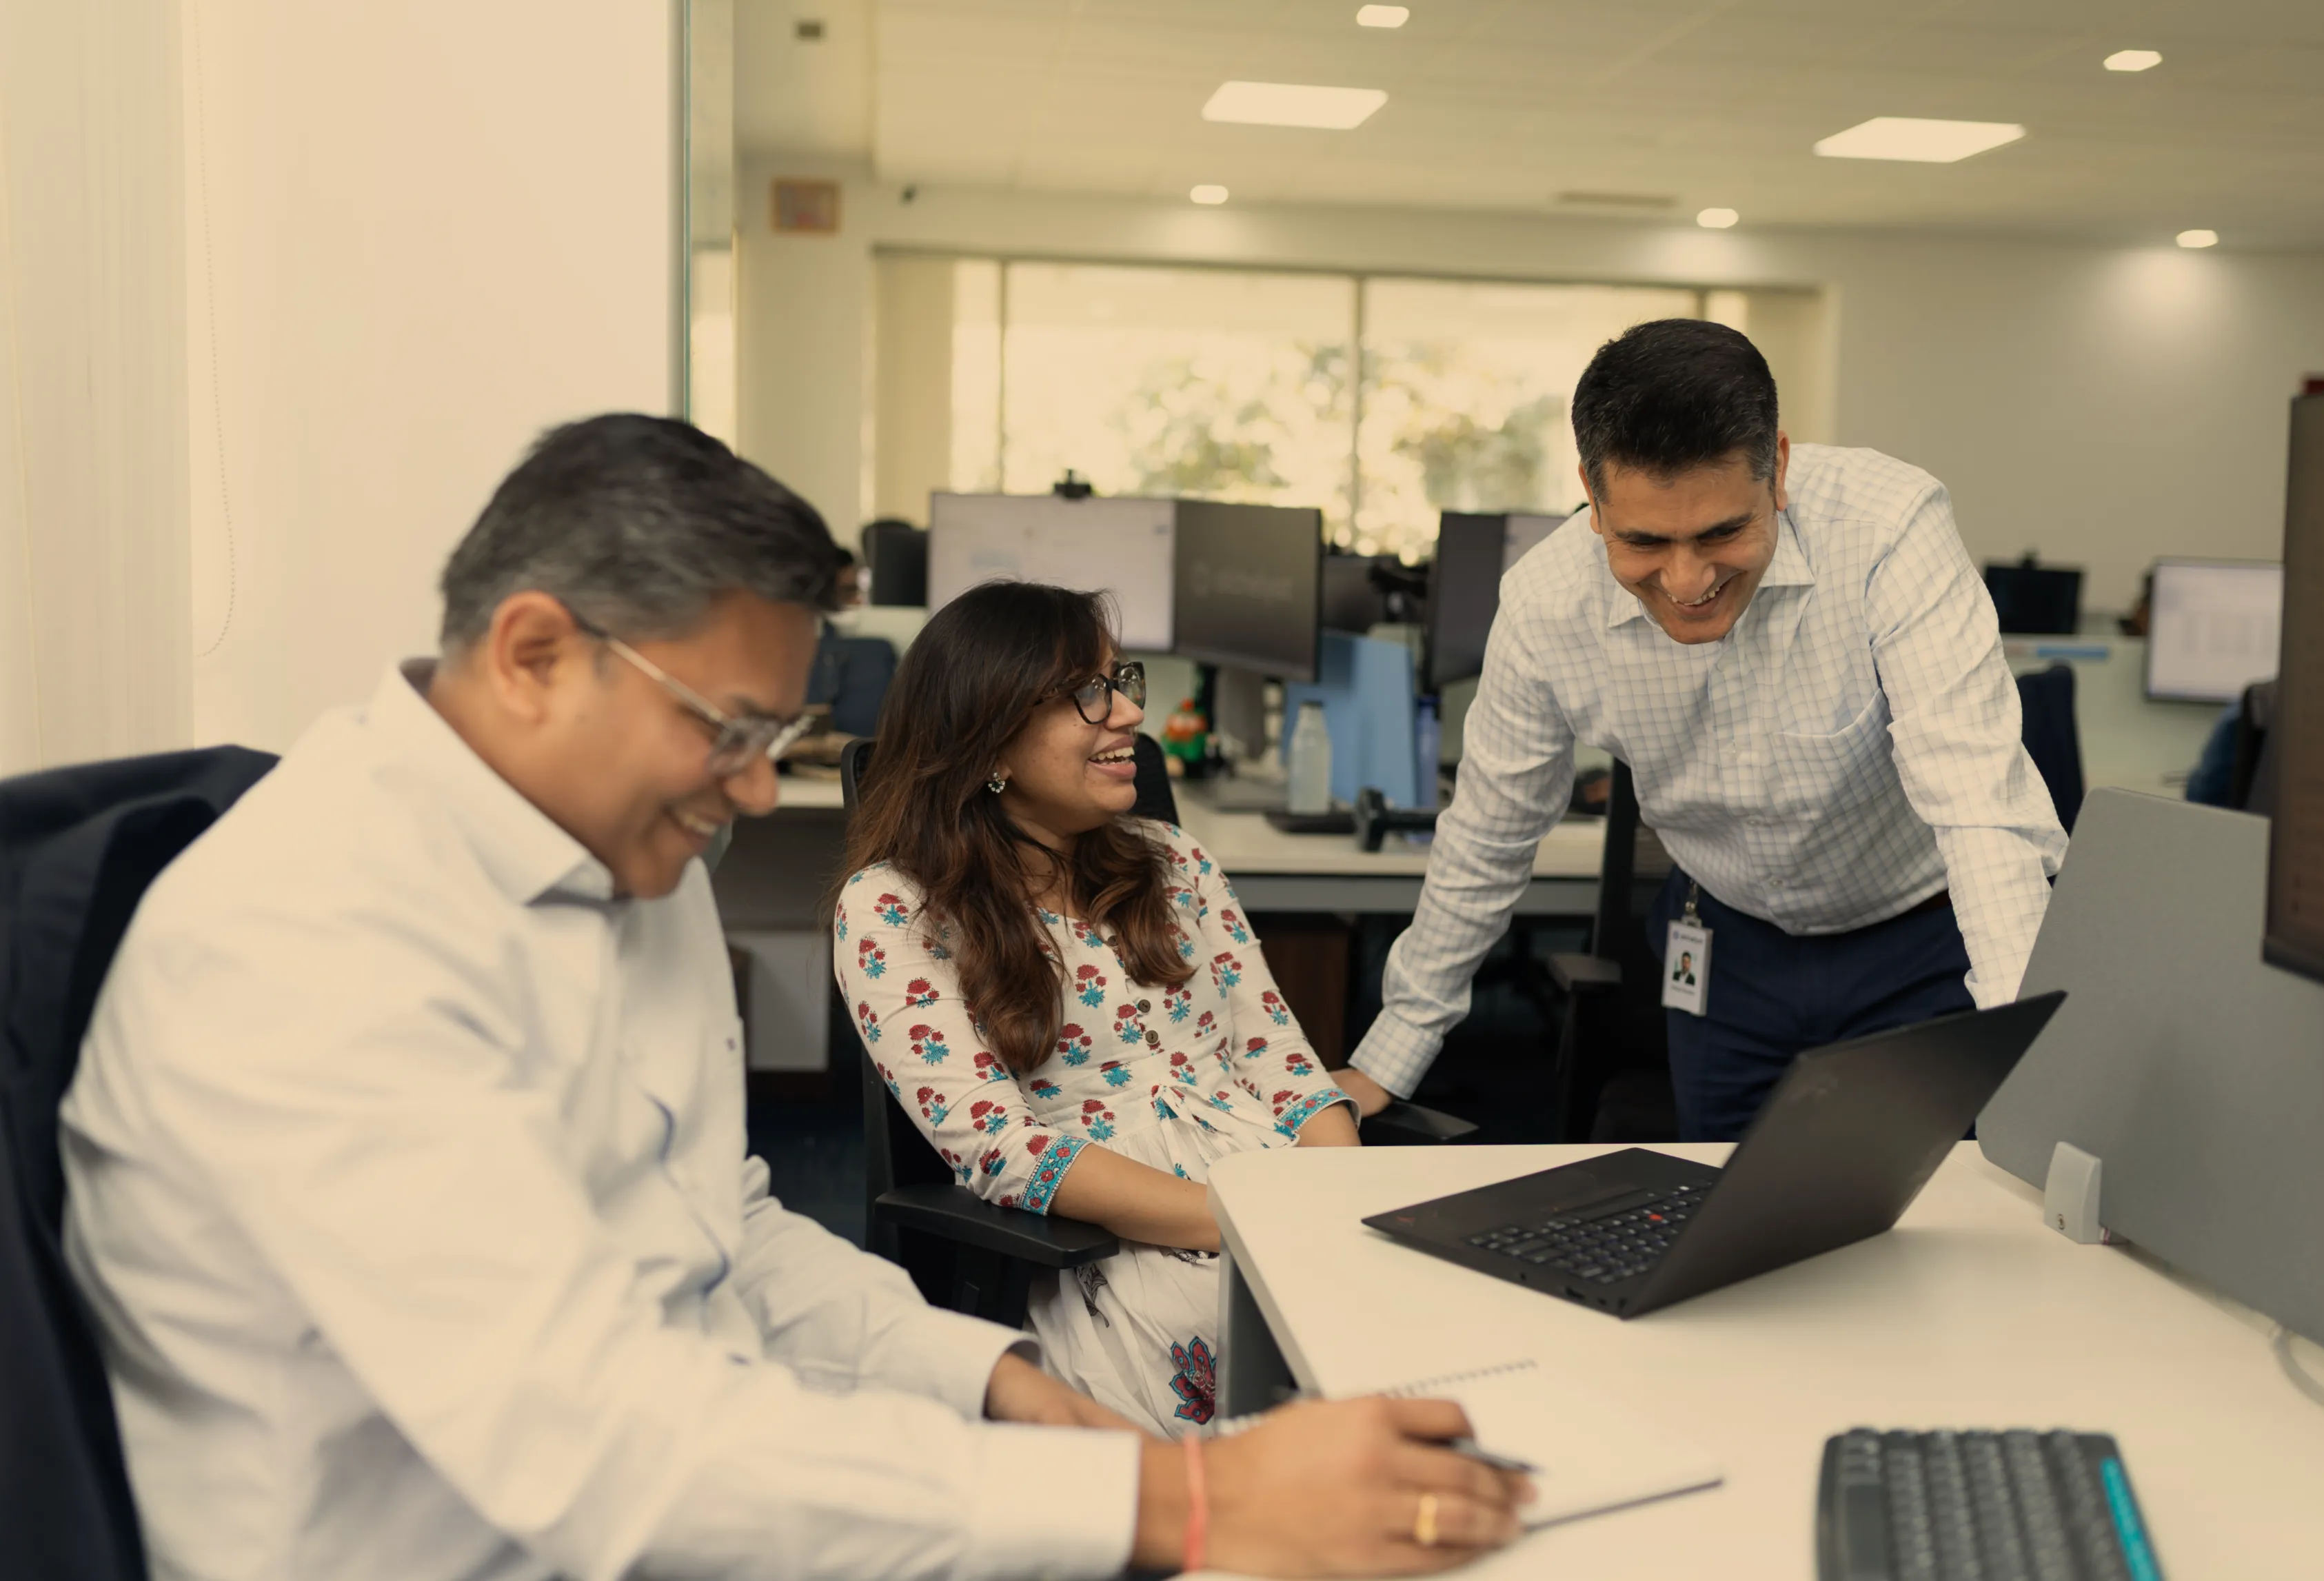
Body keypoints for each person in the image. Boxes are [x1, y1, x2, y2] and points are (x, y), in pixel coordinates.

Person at [60, 416, 1526, 1580]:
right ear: (531, 655)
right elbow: (599, 1449)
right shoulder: (306, 940)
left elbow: (723, 1229)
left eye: (783, 733)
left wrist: (993, 1376)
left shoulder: (625, 866)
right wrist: (1179, 1498)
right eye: (730, 729)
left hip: (689, 1493)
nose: (762, 789)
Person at [1335, 320, 2067, 1142]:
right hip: (1724, 950)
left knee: (1939, 1225)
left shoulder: (1886, 529)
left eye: (1721, 533)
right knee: (1721, 1224)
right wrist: (1389, 1053)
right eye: (1643, 541)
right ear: (1590, 491)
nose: (1686, 582)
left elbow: (1977, 806)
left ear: (1777, 469)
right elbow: (1487, 834)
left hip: (1919, 942)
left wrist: (2034, 1067)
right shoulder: (1546, 605)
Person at [835, 580, 1361, 1438]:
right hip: (1117, 1243)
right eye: (1087, 693)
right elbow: (1000, 1145)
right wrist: (1250, 1219)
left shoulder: (1173, 859)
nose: (1124, 714)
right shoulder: (895, 905)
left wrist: (1341, 1195)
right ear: (990, 733)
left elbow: (1278, 1058)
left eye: (1121, 682)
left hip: (1282, 1195)